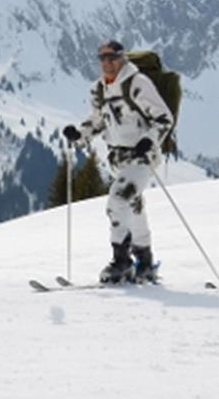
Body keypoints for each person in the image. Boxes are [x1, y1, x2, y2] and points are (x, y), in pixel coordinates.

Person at [63, 40, 173, 284]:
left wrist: (150, 140)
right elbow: (99, 120)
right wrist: (79, 134)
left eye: (112, 57)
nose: (107, 62)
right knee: (134, 207)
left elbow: (164, 118)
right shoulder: (99, 90)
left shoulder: (138, 84)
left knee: (118, 200)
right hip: (118, 159)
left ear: (122, 58)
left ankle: (121, 262)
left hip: (142, 158)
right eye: (102, 58)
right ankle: (145, 263)